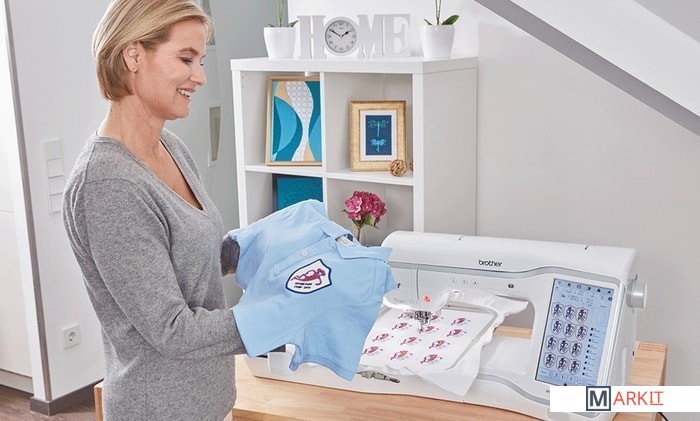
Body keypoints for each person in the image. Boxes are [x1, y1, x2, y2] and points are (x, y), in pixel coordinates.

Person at [62, 1, 244, 419]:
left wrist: (253, 249)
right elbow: (172, 330)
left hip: (210, 401)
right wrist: (275, 320)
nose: (200, 76)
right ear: (133, 55)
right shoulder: (108, 184)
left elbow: (182, 262)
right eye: (186, 59)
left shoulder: (170, 147)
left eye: (200, 61)